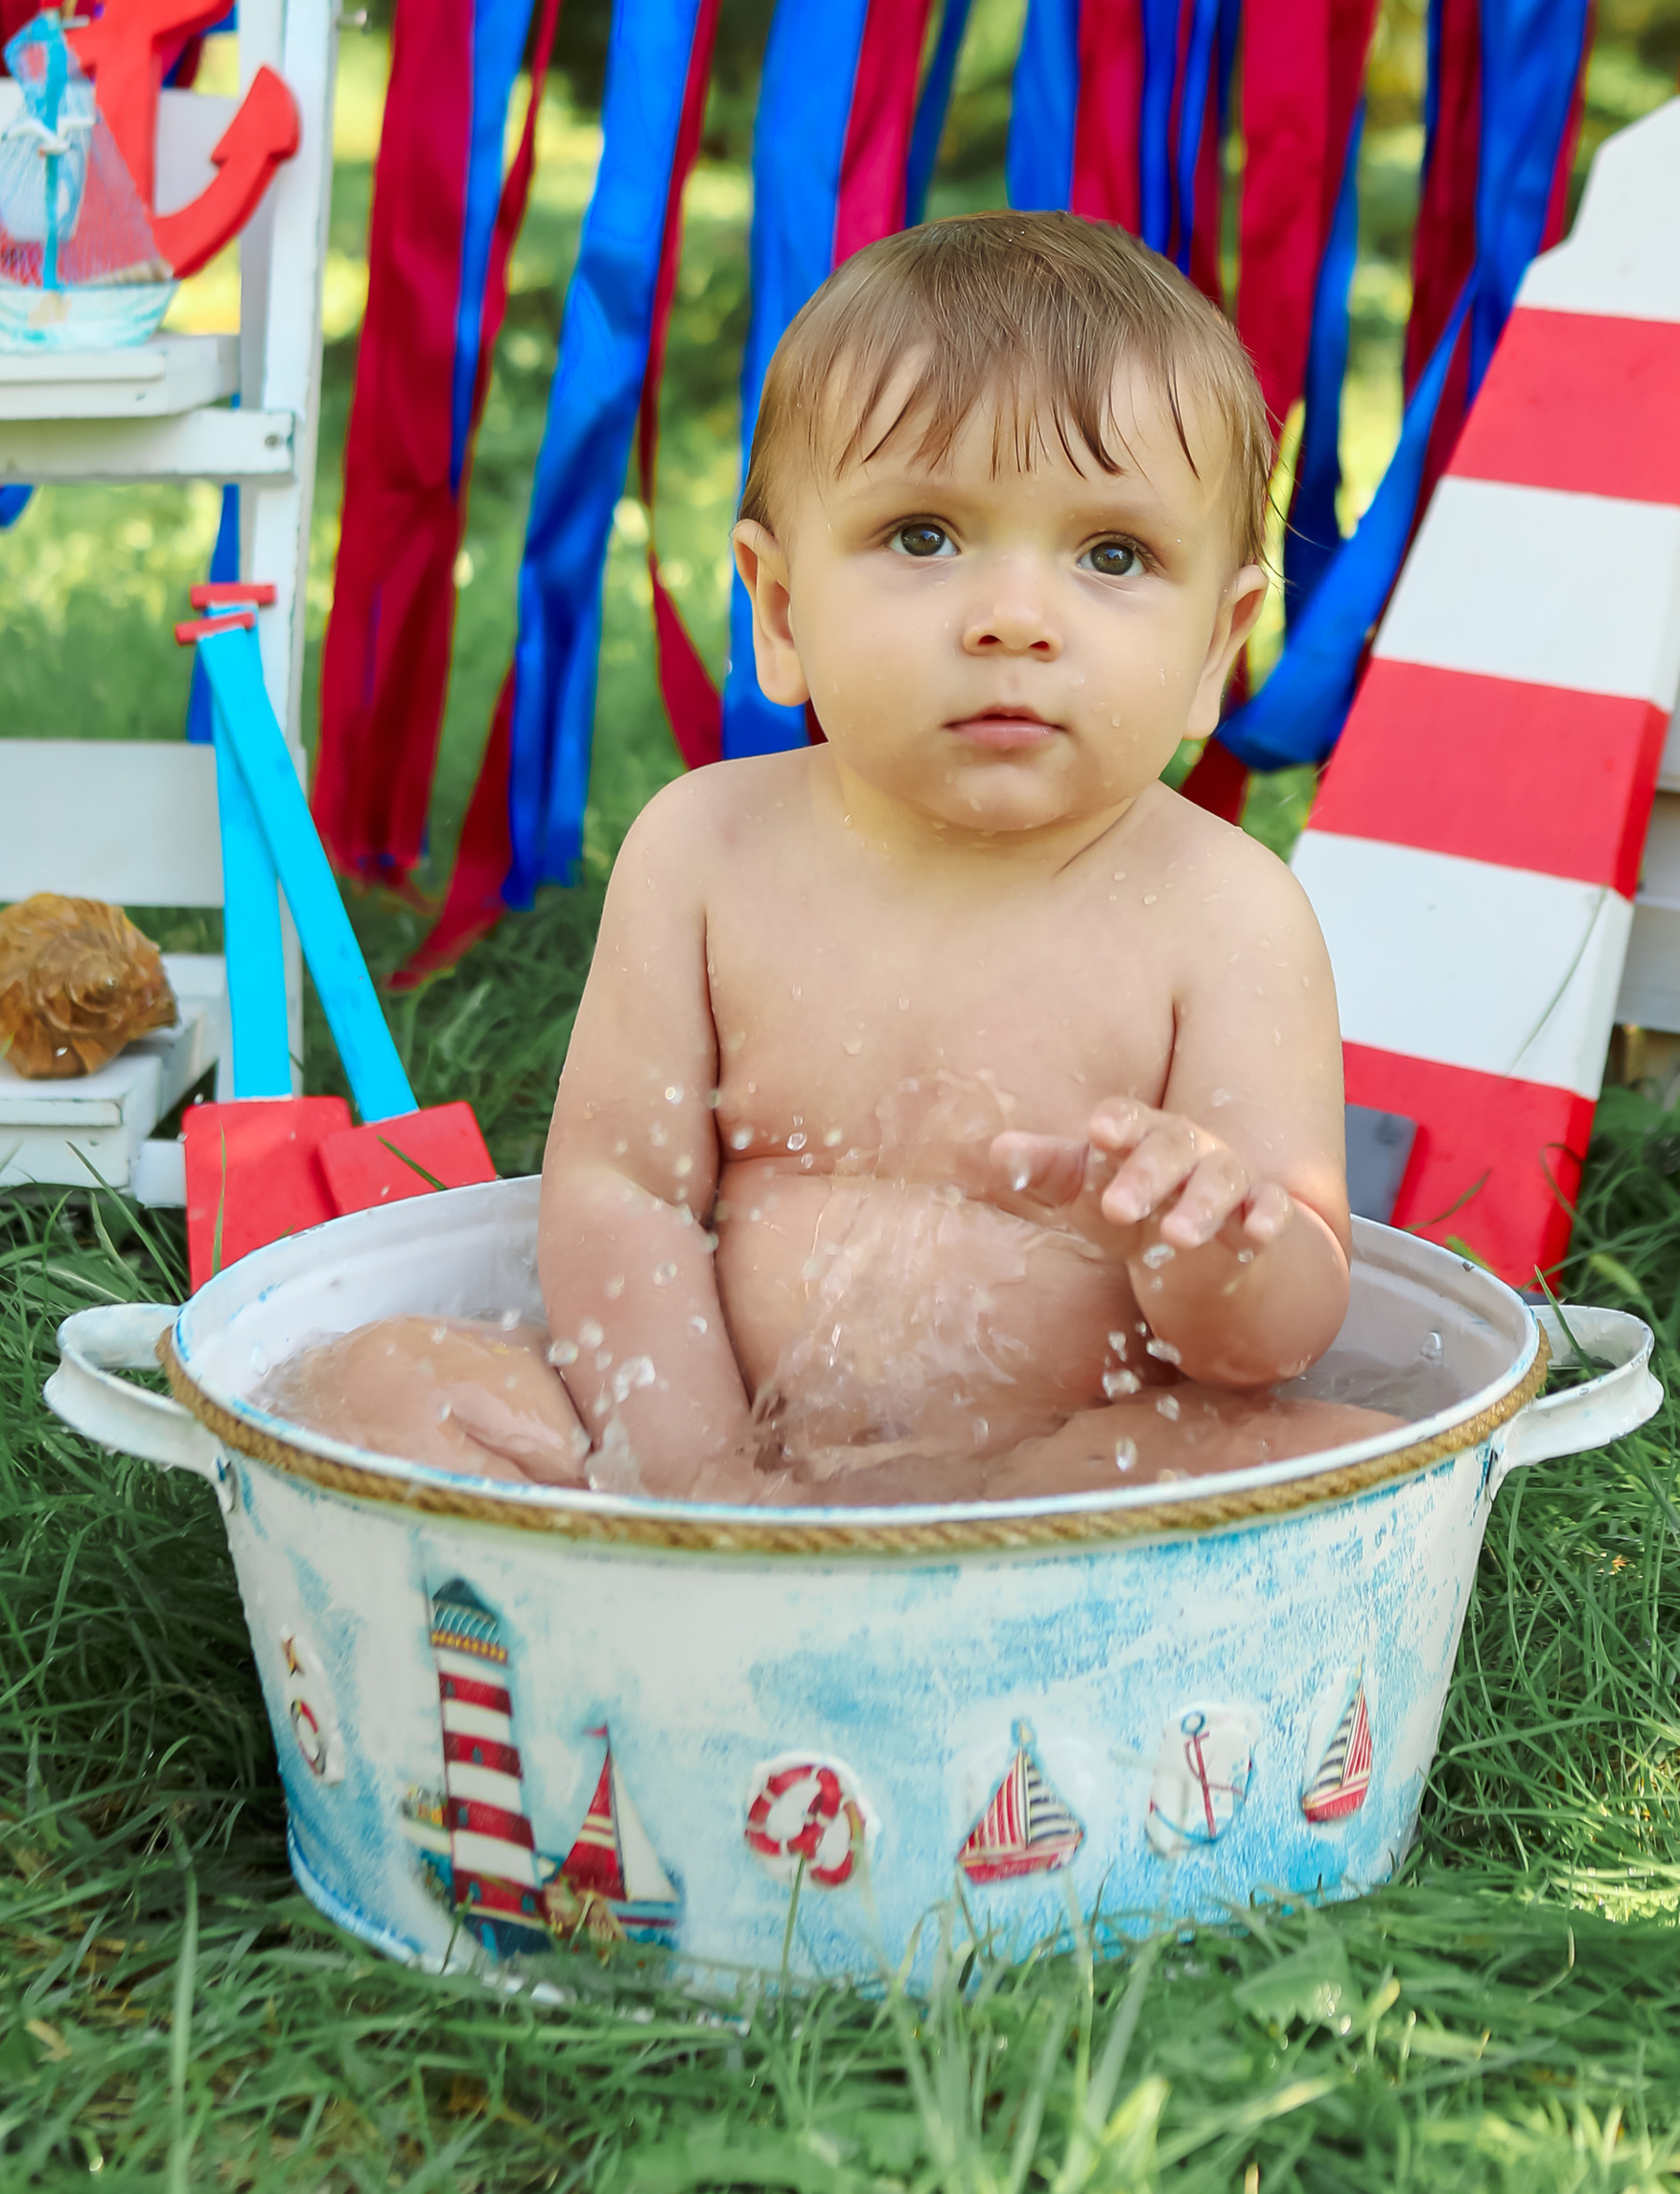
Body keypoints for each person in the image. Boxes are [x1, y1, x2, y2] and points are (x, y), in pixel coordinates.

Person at [273, 210, 1388, 1503]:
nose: (1015, 620)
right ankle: (638, 1576)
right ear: (782, 610)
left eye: (1112, 554)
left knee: (1331, 1453)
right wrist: (692, 1480)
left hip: (1065, 1482)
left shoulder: (1227, 916)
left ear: (1216, 645)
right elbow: (621, 1192)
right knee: (373, 1380)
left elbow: (1275, 1337)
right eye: (925, 535)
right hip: (725, 1438)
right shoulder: (706, 854)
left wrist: (1219, 1244)